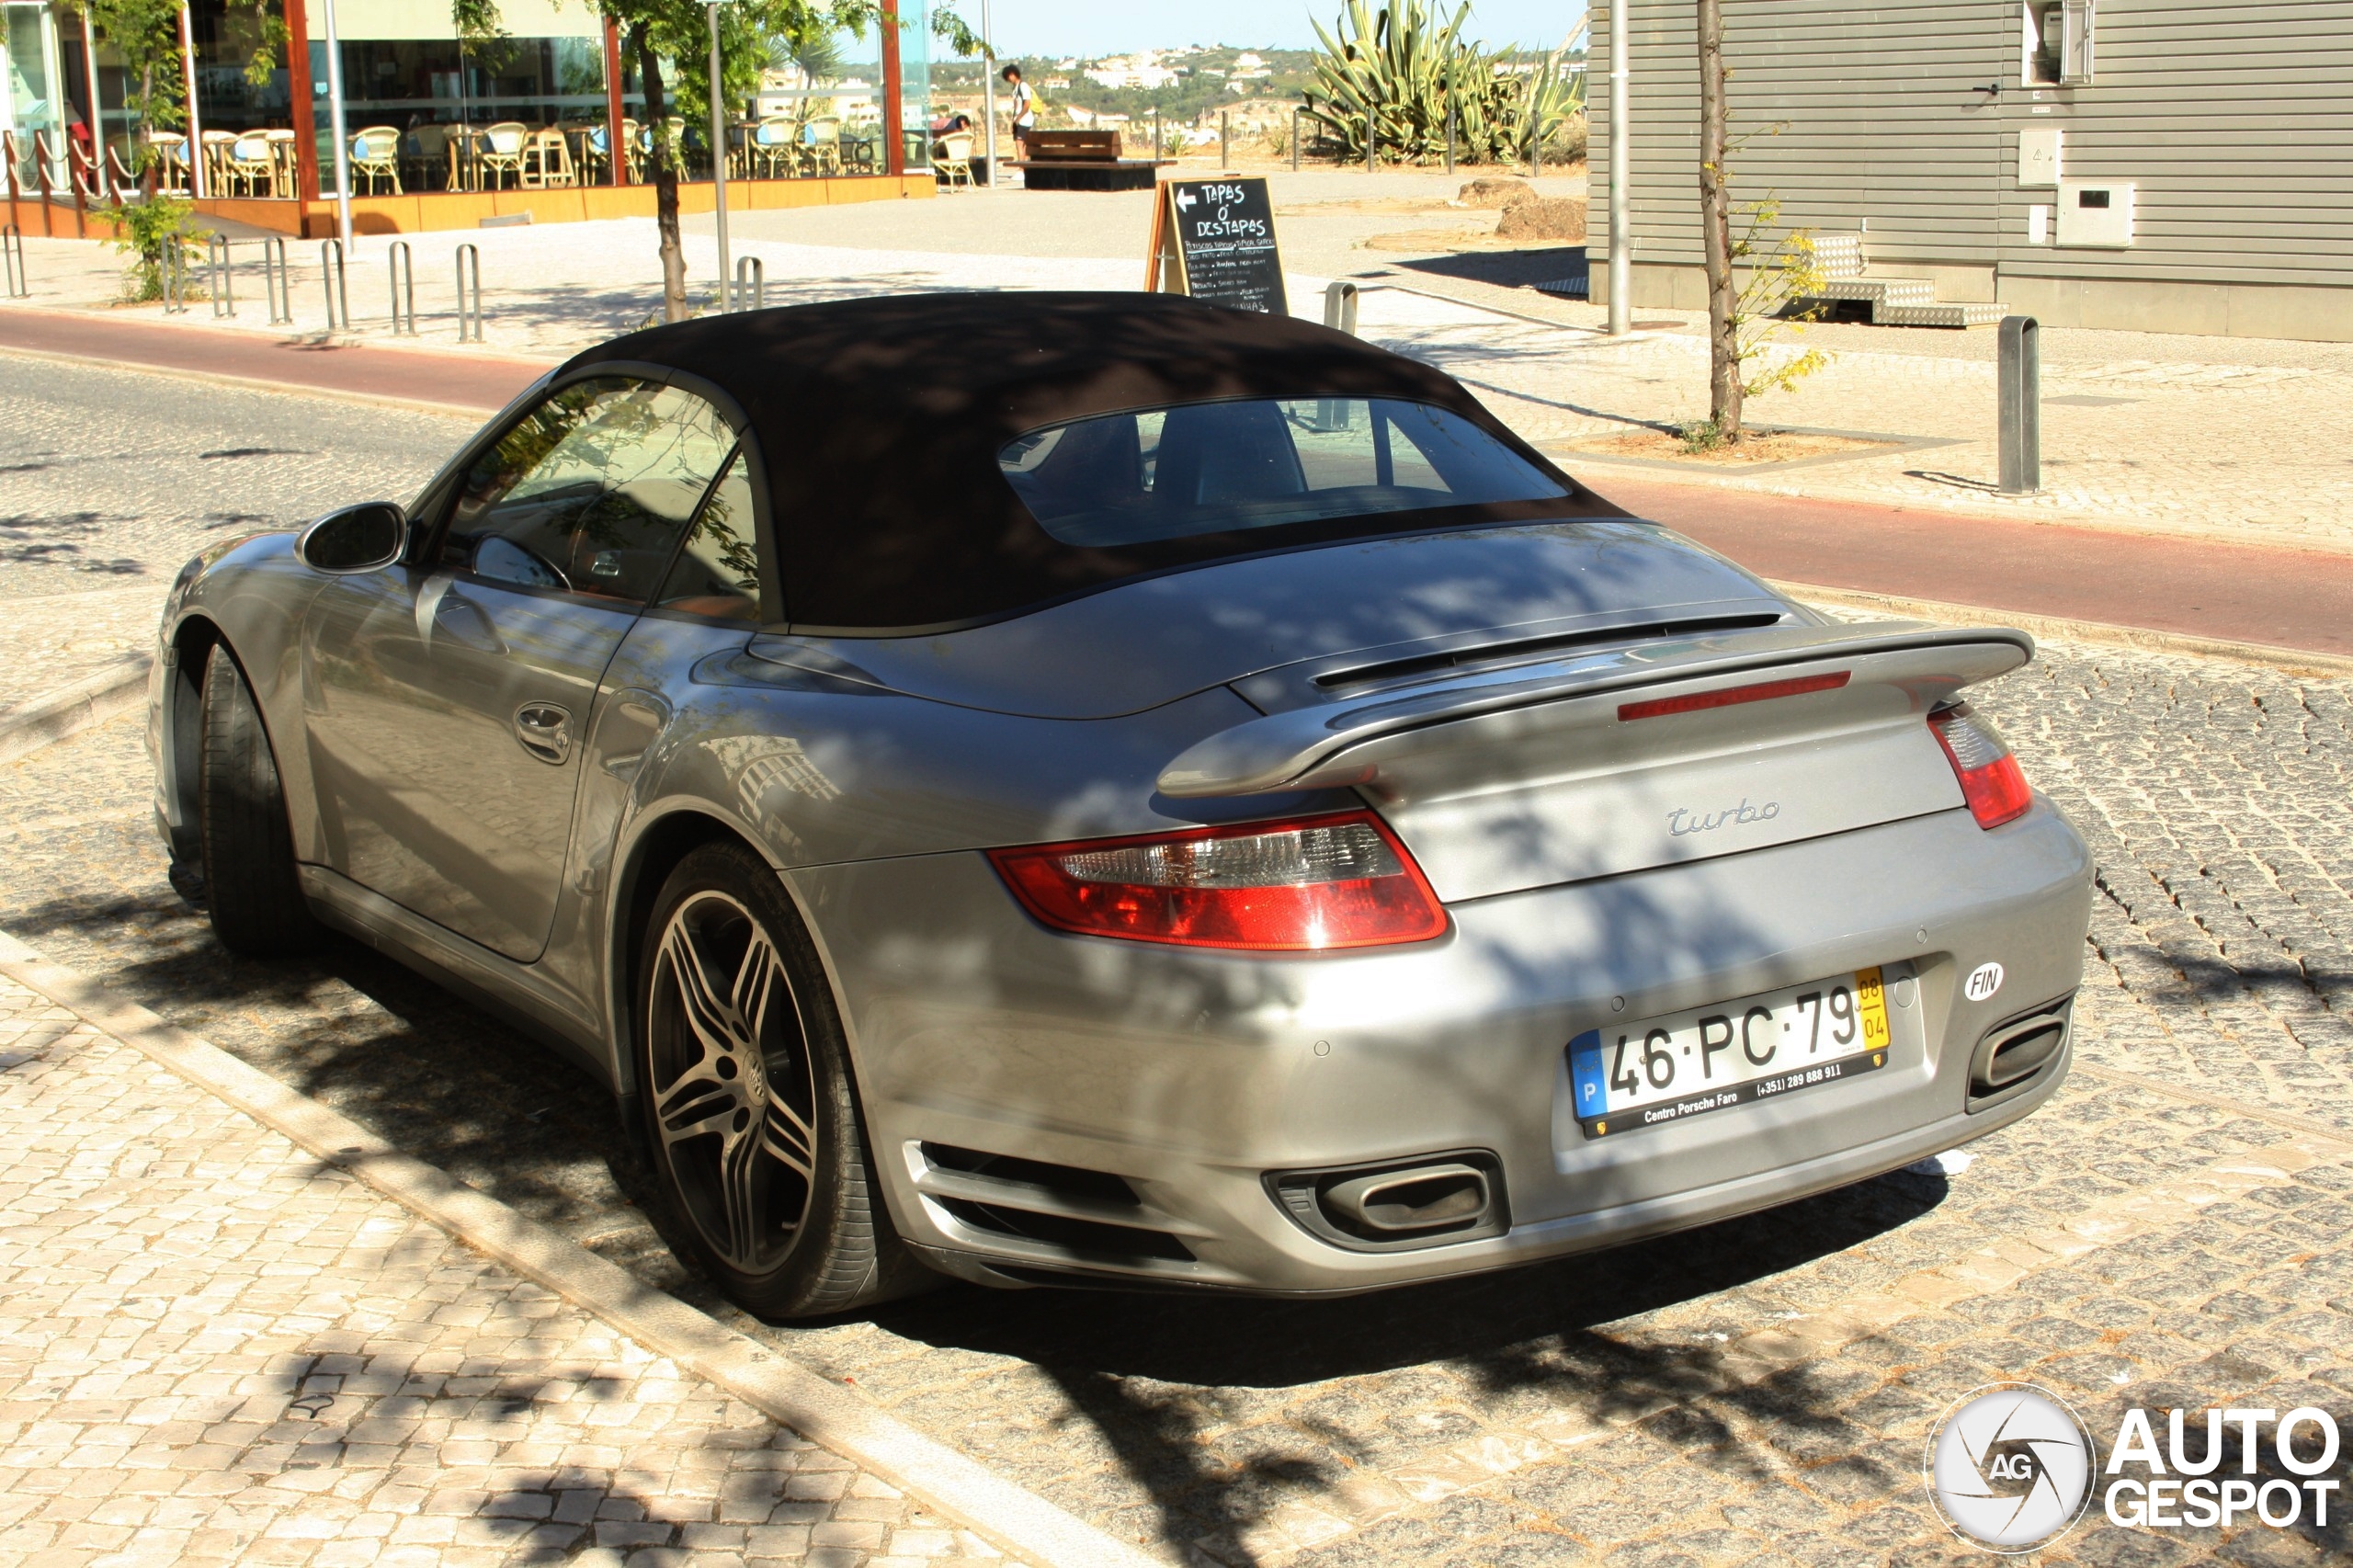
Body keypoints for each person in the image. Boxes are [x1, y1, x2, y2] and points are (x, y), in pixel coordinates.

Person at [1002, 63, 1036, 159]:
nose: (1009, 79)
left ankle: (1022, 169)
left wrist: (1019, 118)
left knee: (1019, 144)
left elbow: (1027, 104)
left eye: (1009, 76)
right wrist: (1014, 121)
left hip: (1025, 120)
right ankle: (1023, 168)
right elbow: (1016, 106)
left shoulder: (1023, 86)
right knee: (1020, 145)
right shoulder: (1015, 89)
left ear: (1013, 74)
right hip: (1018, 120)